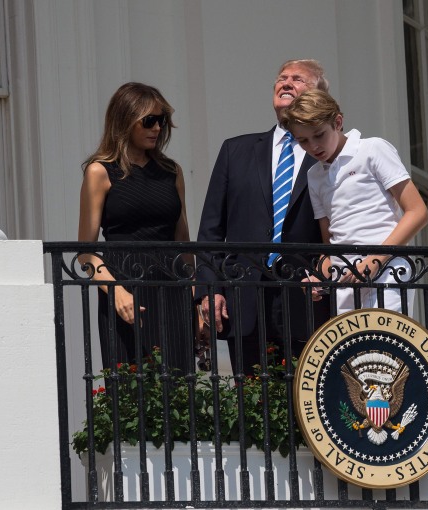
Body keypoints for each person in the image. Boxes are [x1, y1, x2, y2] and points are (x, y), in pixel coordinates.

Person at [196, 59, 331, 374]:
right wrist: (209, 290)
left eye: (297, 79)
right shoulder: (236, 151)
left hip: (306, 300)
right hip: (244, 302)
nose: (285, 82)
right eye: (281, 77)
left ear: (319, 97)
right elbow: (211, 231)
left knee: (306, 402)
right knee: (249, 405)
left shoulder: (327, 157)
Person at [78, 82, 195, 375]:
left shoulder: (171, 171)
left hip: (171, 288)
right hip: (124, 287)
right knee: (130, 394)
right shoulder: (101, 171)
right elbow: (85, 253)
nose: (157, 128)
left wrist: (196, 298)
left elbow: (184, 243)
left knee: (179, 389)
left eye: (162, 120)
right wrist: (116, 290)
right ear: (125, 121)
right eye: (149, 120)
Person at [280, 89, 428, 314]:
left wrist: (374, 261)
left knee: (384, 346)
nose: (313, 146)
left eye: (319, 135)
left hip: (389, 272)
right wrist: (317, 276)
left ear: (338, 122)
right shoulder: (314, 175)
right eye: (303, 140)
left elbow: (418, 212)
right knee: (356, 349)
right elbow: (330, 244)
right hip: (346, 282)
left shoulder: (372, 149)